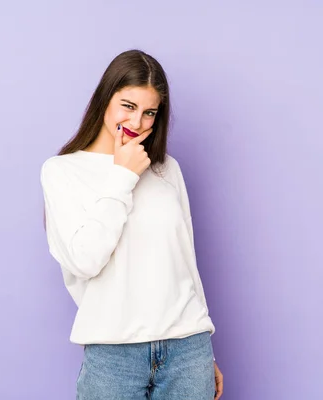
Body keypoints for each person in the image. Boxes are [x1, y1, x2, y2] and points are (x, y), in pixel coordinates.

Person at [40, 49, 223, 399]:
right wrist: (122, 175)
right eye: (128, 106)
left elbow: (185, 263)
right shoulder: (62, 171)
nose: (137, 123)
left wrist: (205, 345)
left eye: (149, 112)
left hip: (188, 349)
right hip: (114, 354)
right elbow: (85, 260)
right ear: (105, 98)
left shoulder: (166, 169)